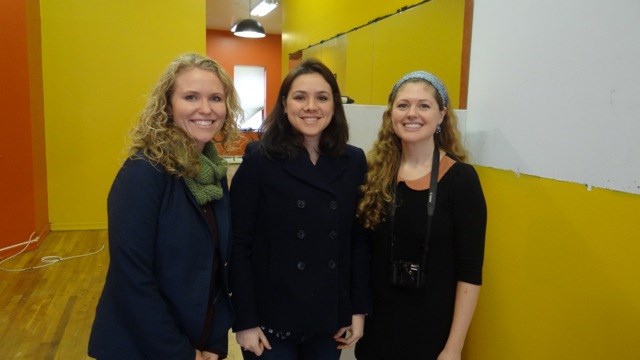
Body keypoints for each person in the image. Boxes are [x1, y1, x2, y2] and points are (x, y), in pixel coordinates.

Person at [88, 53, 241, 360]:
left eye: (215, 98)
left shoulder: (213, 172)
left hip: (198, 339)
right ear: (168, 105)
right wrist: (180, 353)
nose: (205, 109)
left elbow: (217, 267)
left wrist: (214, 342)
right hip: (144, 347)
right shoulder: (143, 172)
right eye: (191, 97)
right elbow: (132, 279)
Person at [229, 58, 372, 360]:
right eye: (300, 97)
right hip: (270, 322)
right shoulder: (259, 158)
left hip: (328, 320)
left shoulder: (354, 161)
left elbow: (358, 242)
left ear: (334, 105)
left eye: (322, 97)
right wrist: (245, 320)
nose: (311, 106)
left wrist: (357, 309)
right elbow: (239, 244)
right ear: (284, 103)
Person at [354, 71, 487, 360]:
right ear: (391, 116)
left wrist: (454, 347)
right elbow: (361, 252)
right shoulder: (374, 174)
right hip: (379, 330)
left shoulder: (461, 180)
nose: (411, 113)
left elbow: (470, 272)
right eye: (403, 106)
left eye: (423, 105)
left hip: (432, 335)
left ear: (441, 116)